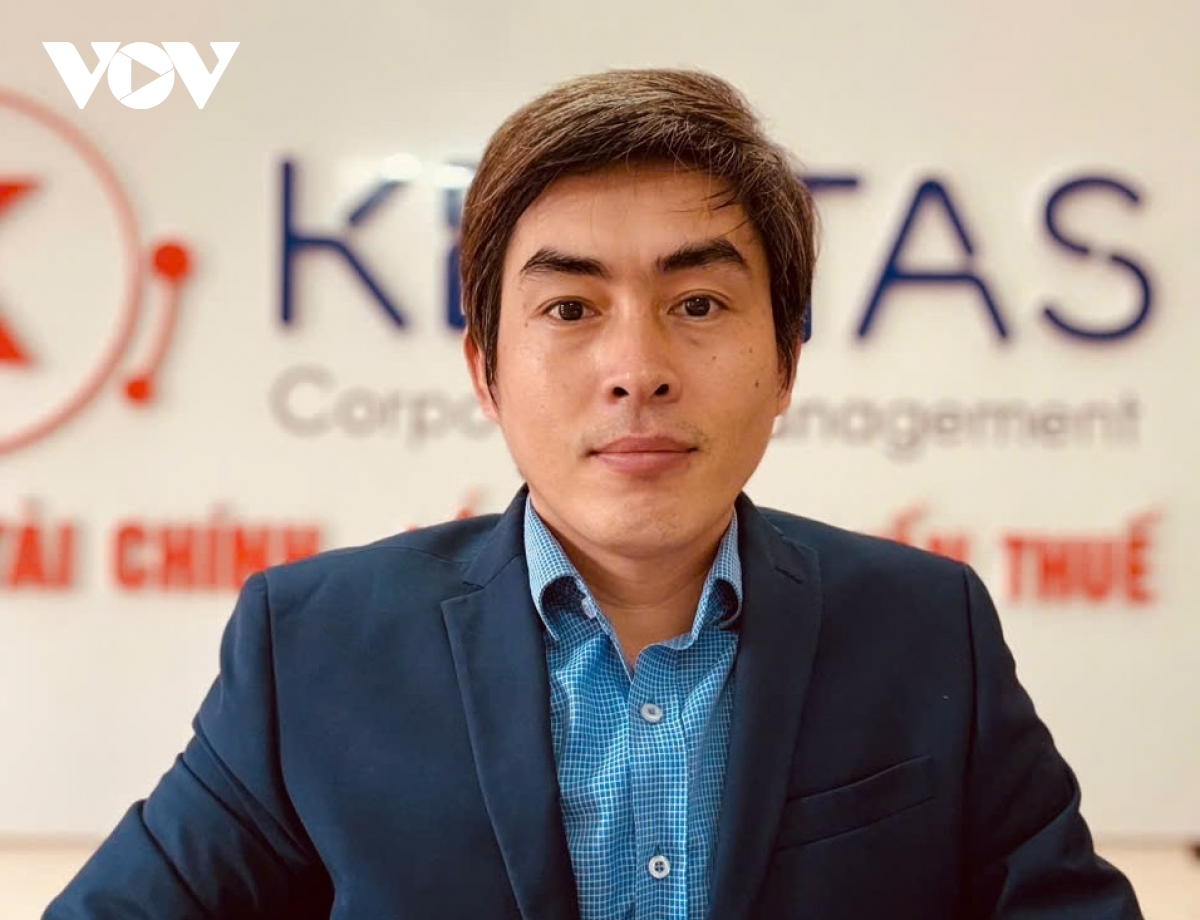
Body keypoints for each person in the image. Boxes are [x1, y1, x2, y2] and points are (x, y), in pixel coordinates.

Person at [46, 69, 1142, 920]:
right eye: (570, 309)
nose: (638, 369)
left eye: (699, 303)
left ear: (786, 365)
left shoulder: (927, 629)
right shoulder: (314, 647)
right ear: (485, 370)